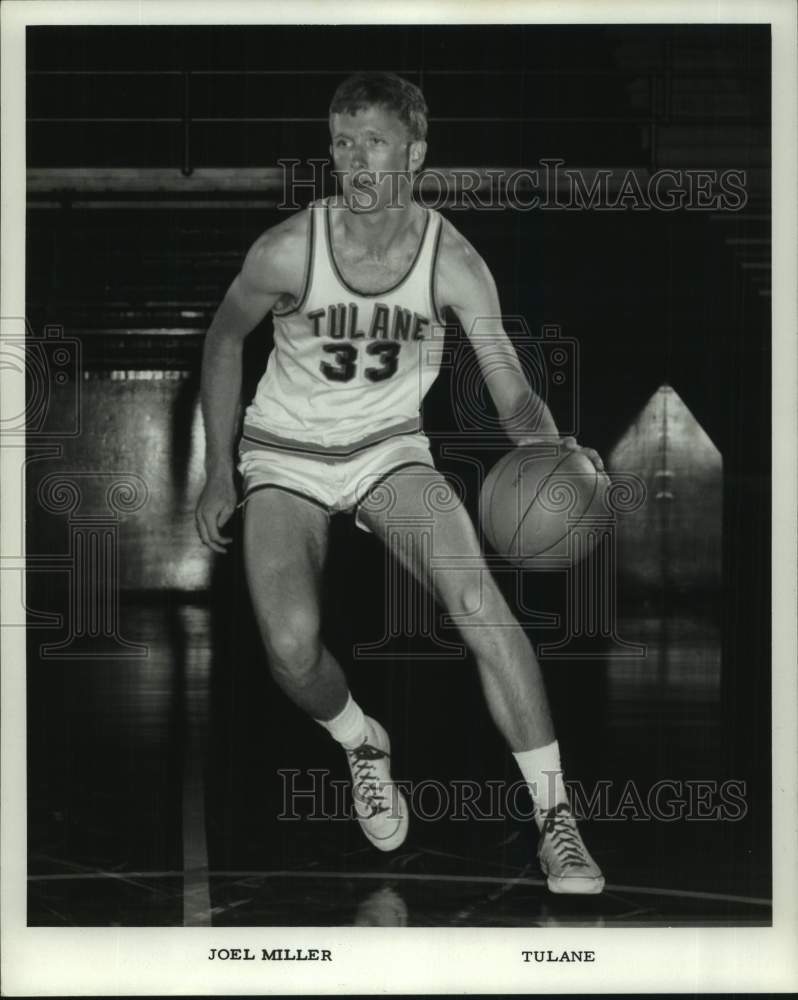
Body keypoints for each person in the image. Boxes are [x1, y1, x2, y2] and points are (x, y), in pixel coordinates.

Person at [195, 71, 605, 894]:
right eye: (342, 143)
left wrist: (557, 450)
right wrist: (215, 470)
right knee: (288, 646)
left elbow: (507, 385)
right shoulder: (286, 249)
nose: (353, 160)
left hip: (388, 450)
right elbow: (222, 340)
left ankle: (558, 820)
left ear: (415, 152)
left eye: (373, 141)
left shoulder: (453, 262)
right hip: (285, 452)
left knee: (480, 605)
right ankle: (360, 741)